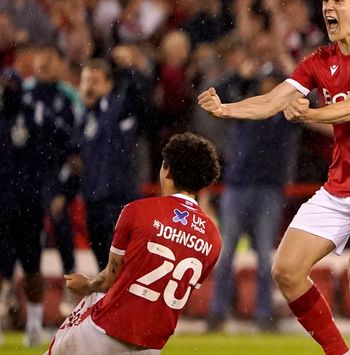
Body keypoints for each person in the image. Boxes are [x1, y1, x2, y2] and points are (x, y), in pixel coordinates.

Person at [198, 0, 350, 355]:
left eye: (339, 1)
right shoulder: (319, 61)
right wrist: (225, 108)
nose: (328, 7)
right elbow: (273, 100)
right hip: (339, 187)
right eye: (326, 1)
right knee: (286, 271)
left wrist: (307, 114)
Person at [46, 132, 223, 354]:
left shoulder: (137, 211)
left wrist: (86, 285)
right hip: (150, 345)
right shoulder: (213, 237)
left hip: (106, 332)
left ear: (166, 170)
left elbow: (109, 279)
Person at [206, 66, 300, 332]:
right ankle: (217, 313)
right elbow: (219, 97)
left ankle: (263, 315)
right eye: (265, 82)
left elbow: (310, 103)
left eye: (274, 82)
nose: (268, 87)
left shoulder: (285, 114)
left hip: (266, 190)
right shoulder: (249, 108)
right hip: (238, 188)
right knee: (226, 255)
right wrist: (240, 75)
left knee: (263, 258)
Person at [0, 46, 77, 347]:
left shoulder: (35, 117)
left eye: (10, 87)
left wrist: (57, 190)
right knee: (3, 267)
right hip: (3, 204)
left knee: (32, 267)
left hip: (28, 204)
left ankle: (33, 324)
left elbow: (57, 152)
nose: (7, 92)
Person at [77, 59, 145, 271]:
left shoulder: (119, 109)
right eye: (86, 81)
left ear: (108, 85)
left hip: (118, 199)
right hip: (93, 199)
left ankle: (121, 303)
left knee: (120, 263)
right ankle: (108, 302)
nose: (89, 87)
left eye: (95, 81)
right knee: (101, 262)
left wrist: (126, 68)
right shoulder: (84, 117)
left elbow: (138, 93)